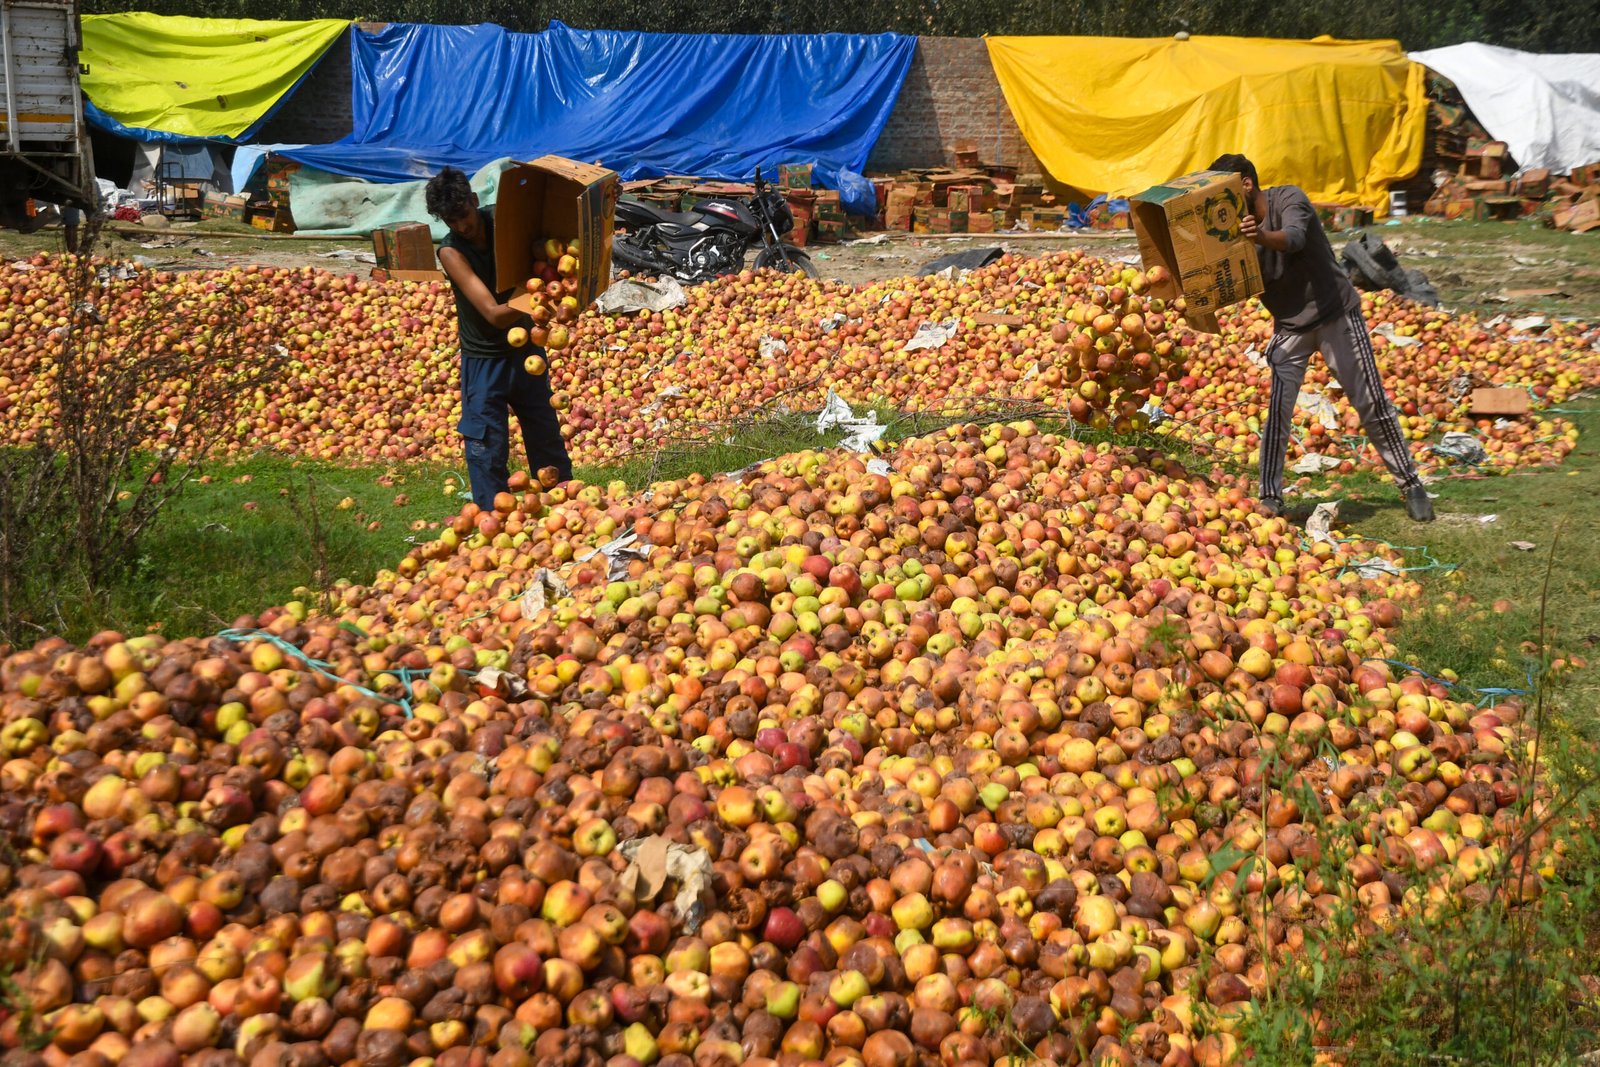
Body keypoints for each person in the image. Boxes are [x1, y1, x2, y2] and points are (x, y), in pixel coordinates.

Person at [1207, 153, 1433, 522]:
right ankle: (1271, 496)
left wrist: (1261, 237)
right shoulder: (1229, 230)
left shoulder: (1289, 200)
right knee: (1277, 411)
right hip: (1290, 326)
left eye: (1223, 192)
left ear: (1245, 184)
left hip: (1335, 315)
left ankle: (1410, 483)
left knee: (1370, 402)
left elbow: (1294, 239)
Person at [425, 167, 573, 509]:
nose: (461, 226)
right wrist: (543, 300)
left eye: (463, 215)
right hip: (485, 357)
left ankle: (563, 505)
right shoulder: (451, 252)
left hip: (526, 351)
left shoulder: (504, 223)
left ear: (474, 201)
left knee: (545, 435)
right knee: (486, 445)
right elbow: (492, 313)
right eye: (450, 221)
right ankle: (493, 517)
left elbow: (550, 235)